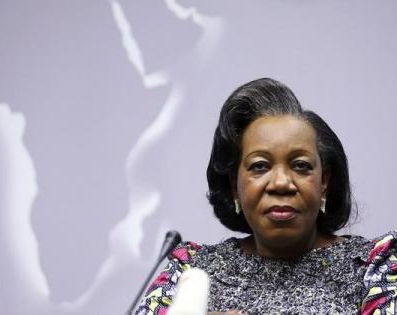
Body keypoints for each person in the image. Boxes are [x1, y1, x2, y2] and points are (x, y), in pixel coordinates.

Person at [135, 78, 397, 315]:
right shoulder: (191, 271)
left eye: (301, 165)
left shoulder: (374, 269)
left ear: (324, 182)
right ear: (234, 186)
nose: (281, 183)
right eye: (259, 166)